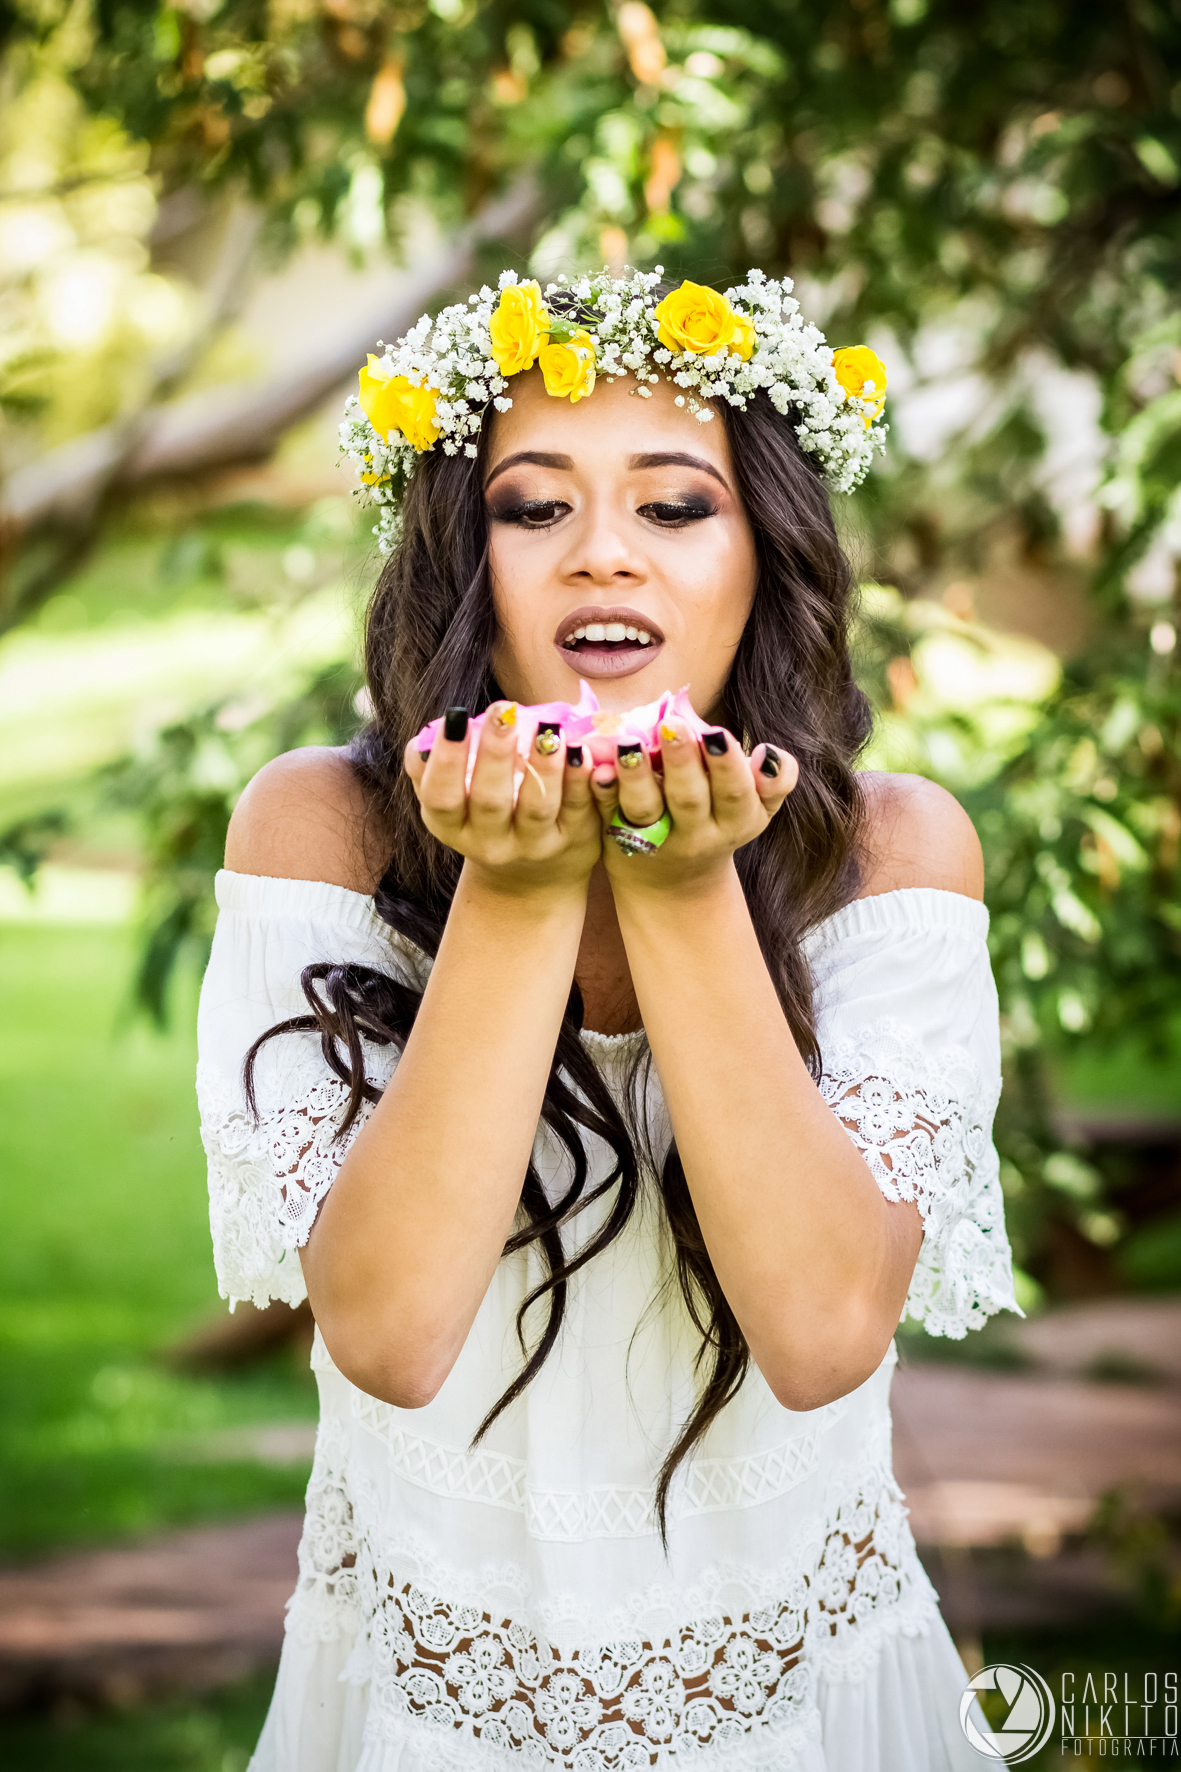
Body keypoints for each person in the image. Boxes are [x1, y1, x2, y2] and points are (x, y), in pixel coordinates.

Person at [196, 270, 1020, 1771]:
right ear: (466, 562)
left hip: (809, 1706)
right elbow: (386, 1332)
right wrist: (513, 901)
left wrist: (682, 879)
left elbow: (825, 1327)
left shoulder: (890, 855)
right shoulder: (319, 830)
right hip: (422, 1711)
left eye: (671, 507)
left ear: (762, 553)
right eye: (532, 509)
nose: (599, 559)